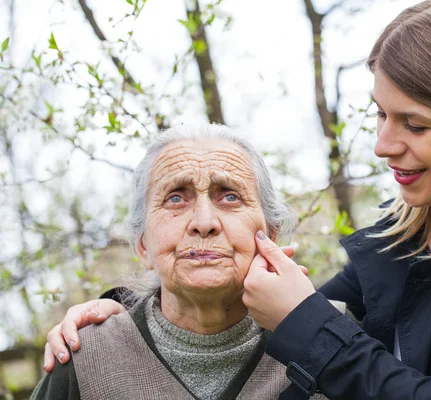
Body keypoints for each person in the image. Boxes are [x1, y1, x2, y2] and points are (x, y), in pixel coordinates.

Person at [46, 0, 431, 398]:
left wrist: (308, 325)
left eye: (414, 124)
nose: (383, 145)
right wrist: (120, 313)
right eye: (381, 114)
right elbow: (251, 294)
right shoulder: (397, 236)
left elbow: (309, 323)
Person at [33, 124, 332, 400]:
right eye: (176, 198)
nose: (204, 223)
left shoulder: (338, 346)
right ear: (142, 245)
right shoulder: (85, 359)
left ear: (271, 235)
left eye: (229, 197)